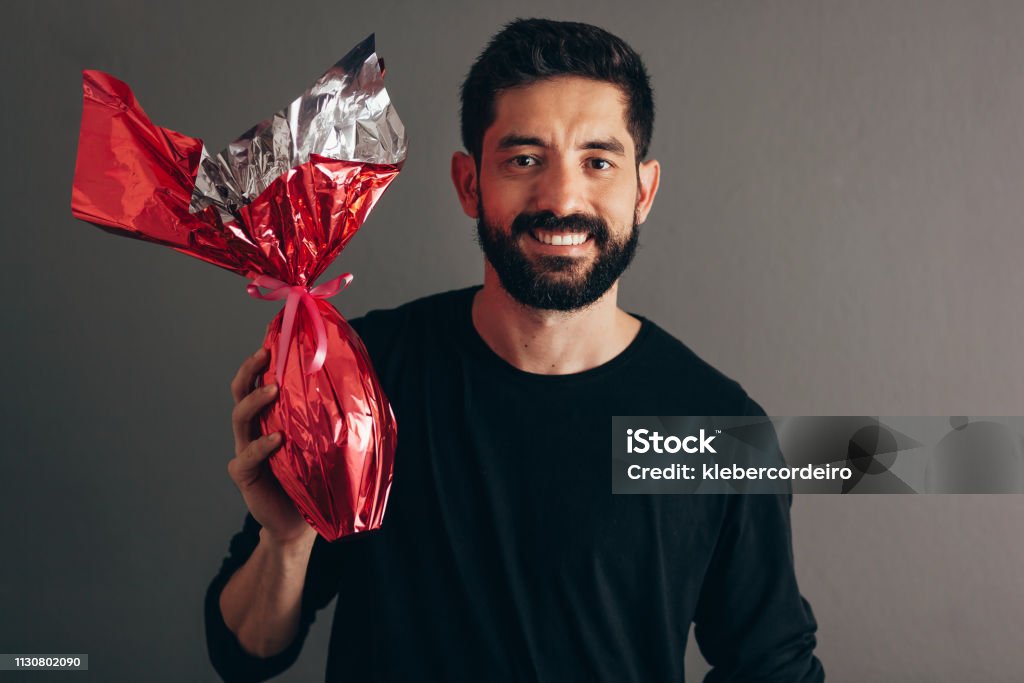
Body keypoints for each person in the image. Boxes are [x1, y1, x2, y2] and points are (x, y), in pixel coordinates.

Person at [206, 18, 825, 682]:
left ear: (643, 191)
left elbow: (773, 668)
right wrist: (286, 540)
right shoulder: (365, 371)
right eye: (524, 159)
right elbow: (244, 655)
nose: (561, 198)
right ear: (469, 184)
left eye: (598, 161)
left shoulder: (717, 429)